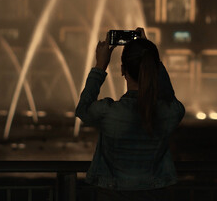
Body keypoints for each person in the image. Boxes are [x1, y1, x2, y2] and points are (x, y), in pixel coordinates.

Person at [75, 27, 185, 200]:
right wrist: (151, 59)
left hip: (111, 194)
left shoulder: (108, 112)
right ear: (153, 69)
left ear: (122, 71)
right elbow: (169, 98)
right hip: (154, 194)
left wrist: (100, 66)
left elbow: (82, 109)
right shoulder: (168, 113)